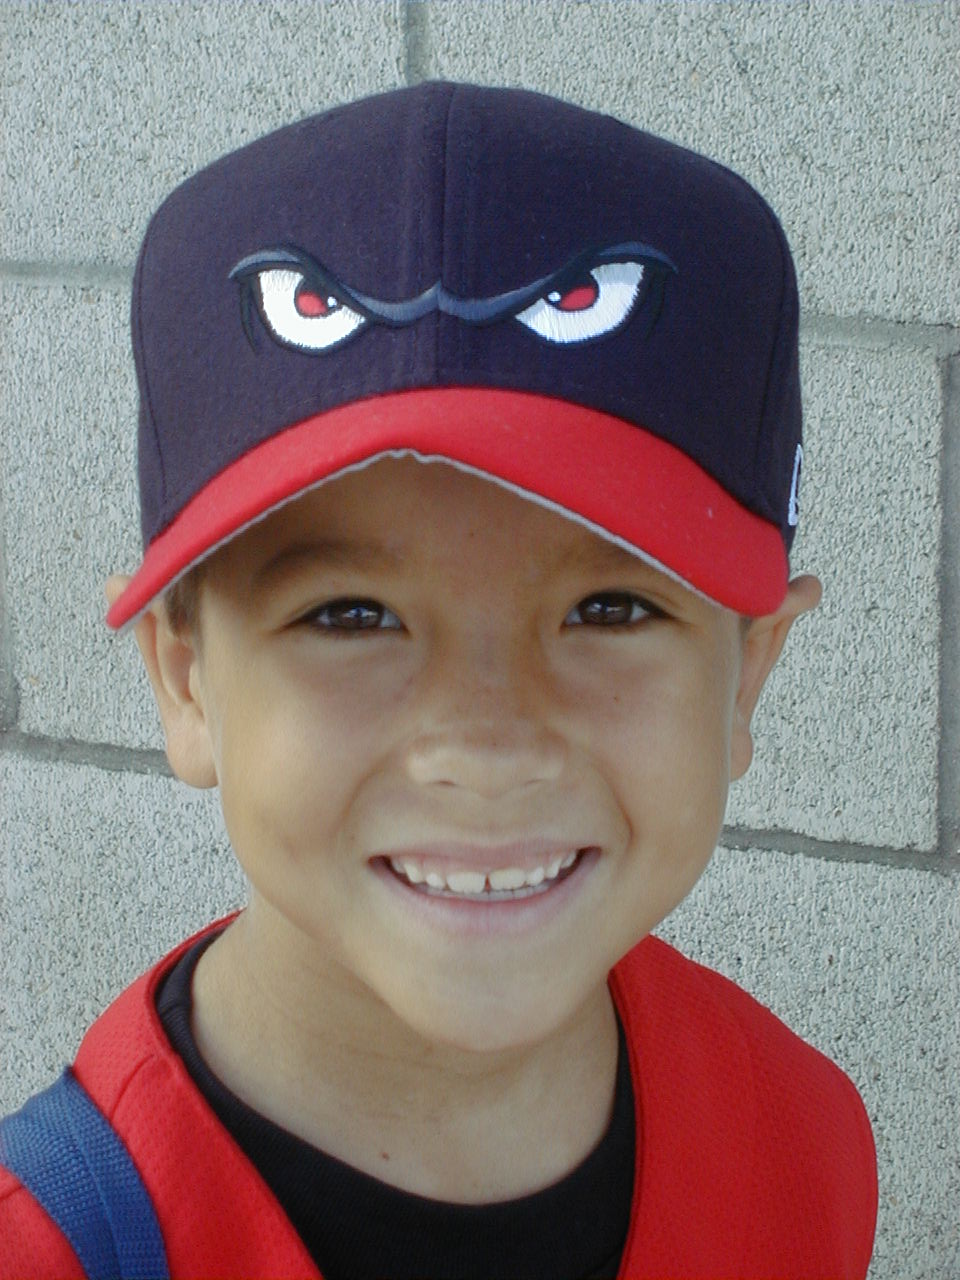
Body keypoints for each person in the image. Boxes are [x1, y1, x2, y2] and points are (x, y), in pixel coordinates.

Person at [0, 81, 877, 1279]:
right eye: (350, 614)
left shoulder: (799, 1137)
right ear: (185, 677)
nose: (486, 745)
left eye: (610, 608)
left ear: (746, 676)